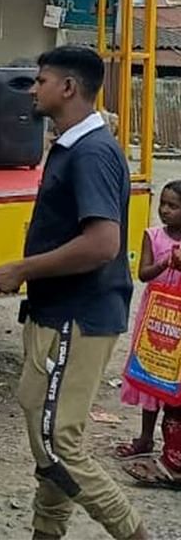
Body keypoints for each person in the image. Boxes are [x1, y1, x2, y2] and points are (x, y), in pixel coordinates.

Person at [0, 45, 147, 540]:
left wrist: (22, 268)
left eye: (40, 81)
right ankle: (46, 532)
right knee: (46, 428)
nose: (33, 90)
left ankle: (135, 533)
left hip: (77, 315)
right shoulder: (74, 146)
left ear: (69, 87)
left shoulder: (92, 152)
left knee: (58, 443)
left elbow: (102, 244)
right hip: (59, 313)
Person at [114, 182, 181, 467]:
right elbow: (143, 273)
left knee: (174, 376)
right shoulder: (152, 235)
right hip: (155, 316)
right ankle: (145, 437)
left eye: (173, 206)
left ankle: (173, 446)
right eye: (162, 204)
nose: (165, 210)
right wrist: (167, 262)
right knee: (151, 372)